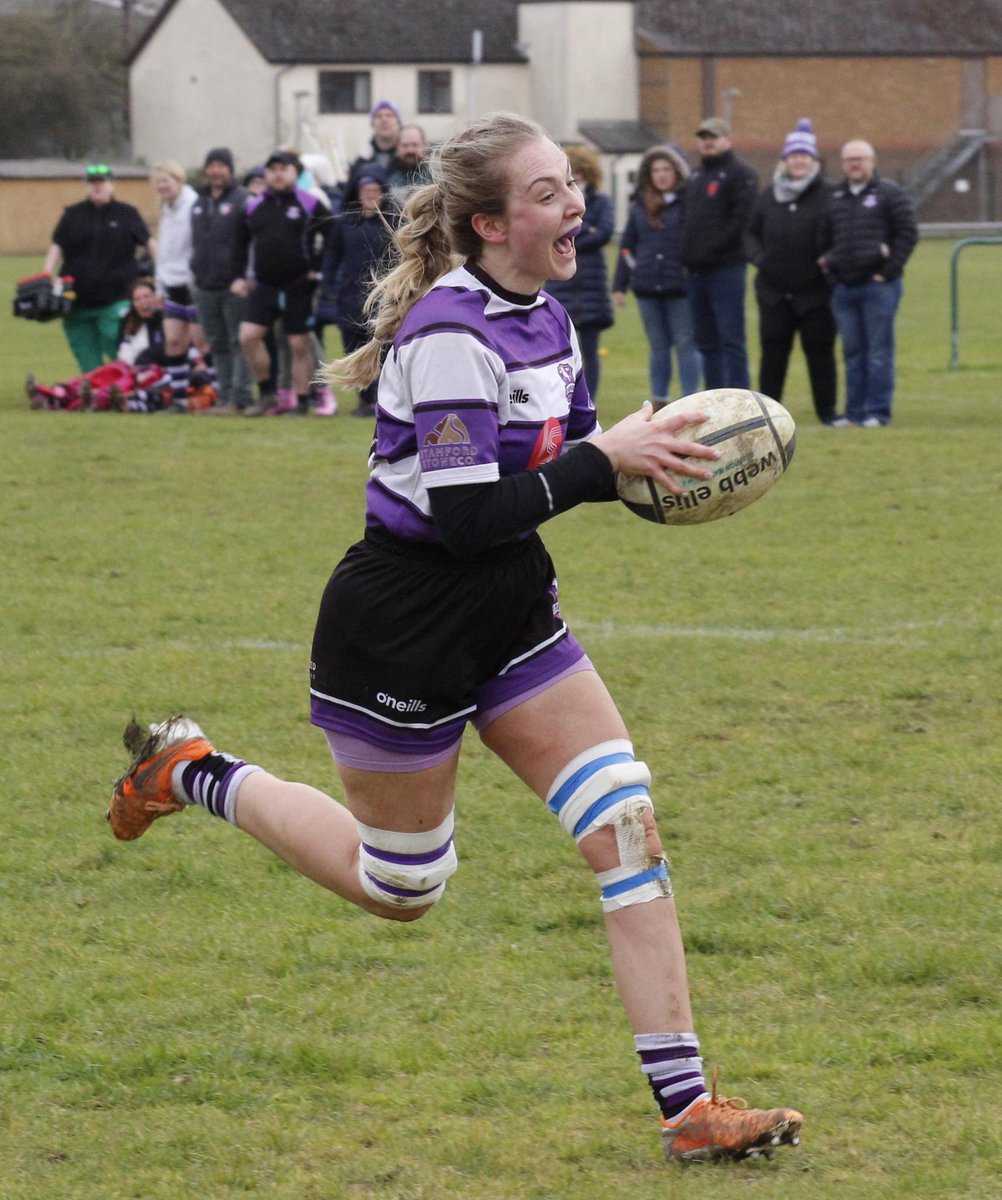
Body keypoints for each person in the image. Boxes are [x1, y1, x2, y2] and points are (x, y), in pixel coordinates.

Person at [107, 112, 803, 1166]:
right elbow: (465, 510)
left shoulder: (556, 319)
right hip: (405, 623)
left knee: (626, 826)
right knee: (405, 889)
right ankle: (193, 770)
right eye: (544, 194)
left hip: (512, 611)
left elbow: (554, 478)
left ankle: (689, 1109)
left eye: (570, 186)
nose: (573, 205)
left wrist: (654, 461)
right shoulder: (445, 337)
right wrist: (602, 460)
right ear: (487, 223)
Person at [744, 119, 838, 425]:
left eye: (804, 156)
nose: (799, 161)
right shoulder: (769, 195)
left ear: (813, 160)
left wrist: (829, 259)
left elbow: (840, 231)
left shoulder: (828, 195)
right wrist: (759, 257)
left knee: (820, 355)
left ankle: (827, 413)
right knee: (772, 357)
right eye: (793, 156)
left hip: (815, 293)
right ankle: (768, 416)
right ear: (785, 160)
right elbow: (750, 234)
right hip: (774, 293)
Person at [820, 139, 918, 427]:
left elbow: (907, 234)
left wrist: (888, 271)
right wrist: (831, 271)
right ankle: (853, 413)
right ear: (843, 164)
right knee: (852, 353)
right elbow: (823, 239)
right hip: (844, 288)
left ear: (872, 161)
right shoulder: (834, 197)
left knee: (878, 352)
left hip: (879, 287)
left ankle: (877, 412)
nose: (854, 164)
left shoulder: (890, 194)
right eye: (849, 159)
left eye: (860, 158)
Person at [234, 149, 330, 416]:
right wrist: (240, 277)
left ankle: (300, 402)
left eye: (283, 169)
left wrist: (318, 268)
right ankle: (265, 394)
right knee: (248, 337)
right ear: (266, 174)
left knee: (298, 343)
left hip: (298, 284)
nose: (277, 174)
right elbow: (240, 244)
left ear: (294, 173)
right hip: (263, 285)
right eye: (272, 169)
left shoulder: (309, 203)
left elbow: (332, 234)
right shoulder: (254, 205)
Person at [612, 144, 701, 405]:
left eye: (666, 169)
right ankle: (659, 399)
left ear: (677, 173)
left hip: (681, 286)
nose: (661, 175)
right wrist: (620, 284)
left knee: (686, 343)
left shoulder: (689, 204)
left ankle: (691, 399)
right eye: (656, 170)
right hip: (647, 286)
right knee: (658, 346)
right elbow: (628, 244)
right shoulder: (639, 205)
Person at [42, 164, 152, 372]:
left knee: (120, 351)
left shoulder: (127, 213)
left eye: (101, 182)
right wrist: (47, 275)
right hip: (75, 303)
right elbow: (57, 245)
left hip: (116, 299)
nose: (97, 187)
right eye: (93, 183)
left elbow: (150, 242)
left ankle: (134, 389)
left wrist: (161, 273)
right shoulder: (73, 214)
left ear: (112, 184)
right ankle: (97, 395)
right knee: (88, 363)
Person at [679, 118, 758, 390]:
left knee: (731, 339)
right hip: (697, 272)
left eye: (713, 136)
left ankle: (741, 398)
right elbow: (687, 220)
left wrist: (710, 250)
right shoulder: (696, 176)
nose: (708, 141)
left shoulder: (741, 174)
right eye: (703, 137)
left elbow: (741, 221)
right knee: (706, 341)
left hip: (726, 269)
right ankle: (715, 396)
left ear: (727, 140)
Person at [318, 166, 399, 418]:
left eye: (376, 191)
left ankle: (384, 398)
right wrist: (327, 286)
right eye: (366, 191)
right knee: (354, 346)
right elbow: (331, 257)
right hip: (350, 296)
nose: (371, 196)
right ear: (358, 193)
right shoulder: (345, 224)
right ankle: (364, 399)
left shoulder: (394, 222)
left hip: (386, 298)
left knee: (385, 349)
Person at [26, 277, 171, 412]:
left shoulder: (164, 323)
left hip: (147, 372)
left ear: (156, 297)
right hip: (123, 367)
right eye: (137, 299)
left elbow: (163, 351)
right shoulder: (129, 322)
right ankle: (51, 394)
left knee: (115, 385)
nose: (143, 302)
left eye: (147, 297)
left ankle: (87, 399)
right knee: (93, 378)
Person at [544, 144, 615, 399]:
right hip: (561, 285)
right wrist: (586, 231)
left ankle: (589, 399)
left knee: (590, 349)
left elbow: (604, 233)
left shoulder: (601, 201)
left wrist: (568, 235)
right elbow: (550, 231)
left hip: (592, 284)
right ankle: (565, 397)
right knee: (560, 348)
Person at [190, 147, 254, 415]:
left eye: (221, 165)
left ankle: (240, 398)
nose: (216, 171)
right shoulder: (199, 201)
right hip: (205, 285)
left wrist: (246, 278)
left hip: (233, 285)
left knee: (238, 342)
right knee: (216, 343)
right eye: (211, 165)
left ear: (230, 169)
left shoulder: (243, 200)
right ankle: (223, 396)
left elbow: (253, 243)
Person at [150, 161, 208, 410]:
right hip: (171, 284)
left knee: (202, 343)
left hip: (193, 284)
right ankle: (179, 398)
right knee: (173, 341)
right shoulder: (166, 210)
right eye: (159, 181)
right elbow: (164, 252)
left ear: (179, 181)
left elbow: (200, 245)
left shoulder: (193, 206)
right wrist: (159, 286)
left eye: (167, 180)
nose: (163, 186)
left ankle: (213, 395)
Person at [341, 99, 404, 209]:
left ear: (398, 122)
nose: (384, 120)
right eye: (378, 116)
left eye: (389, 115)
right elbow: (349, 199)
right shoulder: (361, 162)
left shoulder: (410, 159)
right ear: (372, 123)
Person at [386, 124, 433, 206]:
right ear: (397, 146)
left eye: (415, 145)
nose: (410, 150)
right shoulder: (385, 176)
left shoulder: (436, 177)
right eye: (405, 145)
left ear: (424, 146)